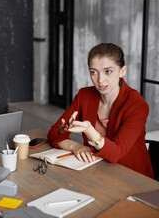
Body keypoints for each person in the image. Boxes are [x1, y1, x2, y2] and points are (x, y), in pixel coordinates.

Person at [47, 43, 154, 178]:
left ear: (122, 71)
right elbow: (54, 134)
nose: (100, 80)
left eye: (108, 71)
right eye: (93, 72)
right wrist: (76, 147)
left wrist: (89, 130)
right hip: (96, 170)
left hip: (132, 177)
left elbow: (116, 153)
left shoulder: (137, 104)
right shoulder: (84, 96)